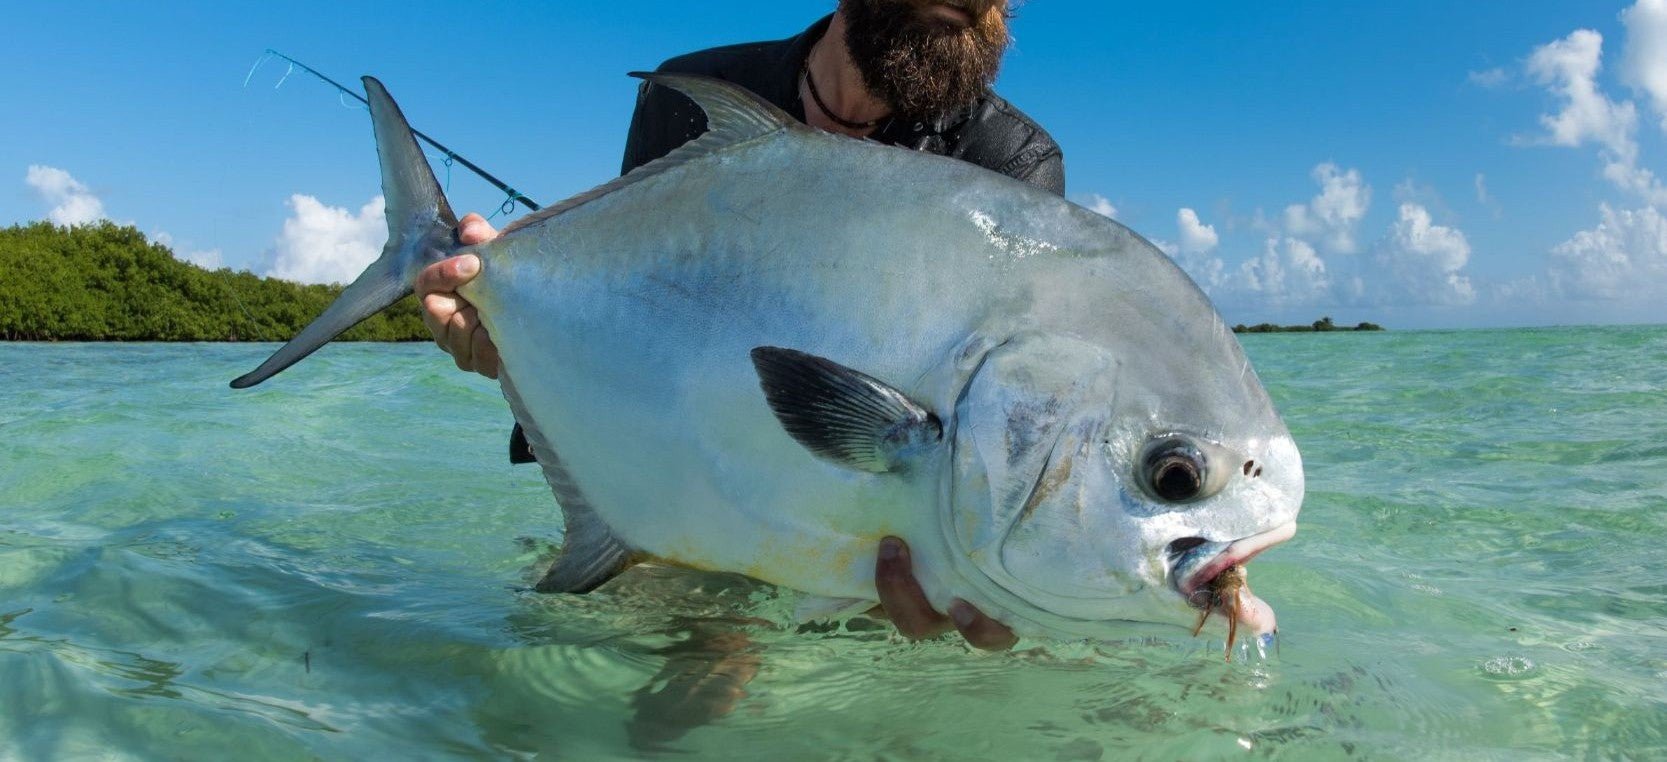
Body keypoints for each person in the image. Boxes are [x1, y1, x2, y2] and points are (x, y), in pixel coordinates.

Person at [418, 0, 1063, 652]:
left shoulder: (1007, 159)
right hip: (689, 468)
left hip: (868, 518)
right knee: (682, 675)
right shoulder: (692, 92)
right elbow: (638, 337)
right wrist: (508, 331)